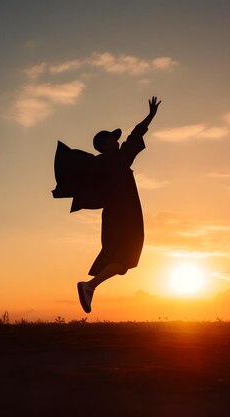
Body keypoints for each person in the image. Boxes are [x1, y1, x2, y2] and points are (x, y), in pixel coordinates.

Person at [52, 97, 161, 313]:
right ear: (105, 144)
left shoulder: (98, 163)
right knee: (125, 258)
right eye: (113, 138)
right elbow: (136, 135)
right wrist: (150, 116)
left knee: (122, 262)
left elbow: (78, 168)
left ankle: (89, 287)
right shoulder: (118, 159)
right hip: (125, 216)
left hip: (114, 217)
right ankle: (89, 286)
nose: (117, 140)